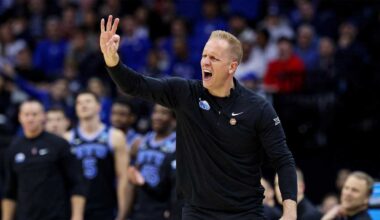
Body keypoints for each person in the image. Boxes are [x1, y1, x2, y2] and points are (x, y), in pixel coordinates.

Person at [101, 15, 297, 219]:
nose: (205, 62)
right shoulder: (185, 93)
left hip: (245, 213)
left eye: (214, 58)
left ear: (232, 67)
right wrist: (112, 59)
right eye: (205, 55)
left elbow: (283, 160)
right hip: (198, 212)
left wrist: (290, 211)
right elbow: (135, 84)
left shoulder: (258, 108)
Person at [2, 99, 86, 220]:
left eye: (34, 114)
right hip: (25, 216)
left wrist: (77, 216)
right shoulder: (13, 148)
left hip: (57, 215)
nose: (30, 119)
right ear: (20, 117)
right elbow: (9, 191)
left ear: (43, 116)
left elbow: (76, 184)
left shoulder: (59, 144)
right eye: (26, 115)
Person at [64, 91, 128, 220]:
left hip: (106, 206)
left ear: (98, 107)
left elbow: (122, 177)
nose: (83, 105)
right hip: (75, 208)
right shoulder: (67, 138)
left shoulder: (115, 136)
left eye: (88, 101)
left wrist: (122, 212)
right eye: (79, 103)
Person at [127, 104, 177, 220]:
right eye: (156, 112)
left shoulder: (178, 143)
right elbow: (131, 180)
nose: (157, 117)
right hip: (140, 209)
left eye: (164, 113)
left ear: (173, 119)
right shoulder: (140, 142)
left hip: (163, 210)